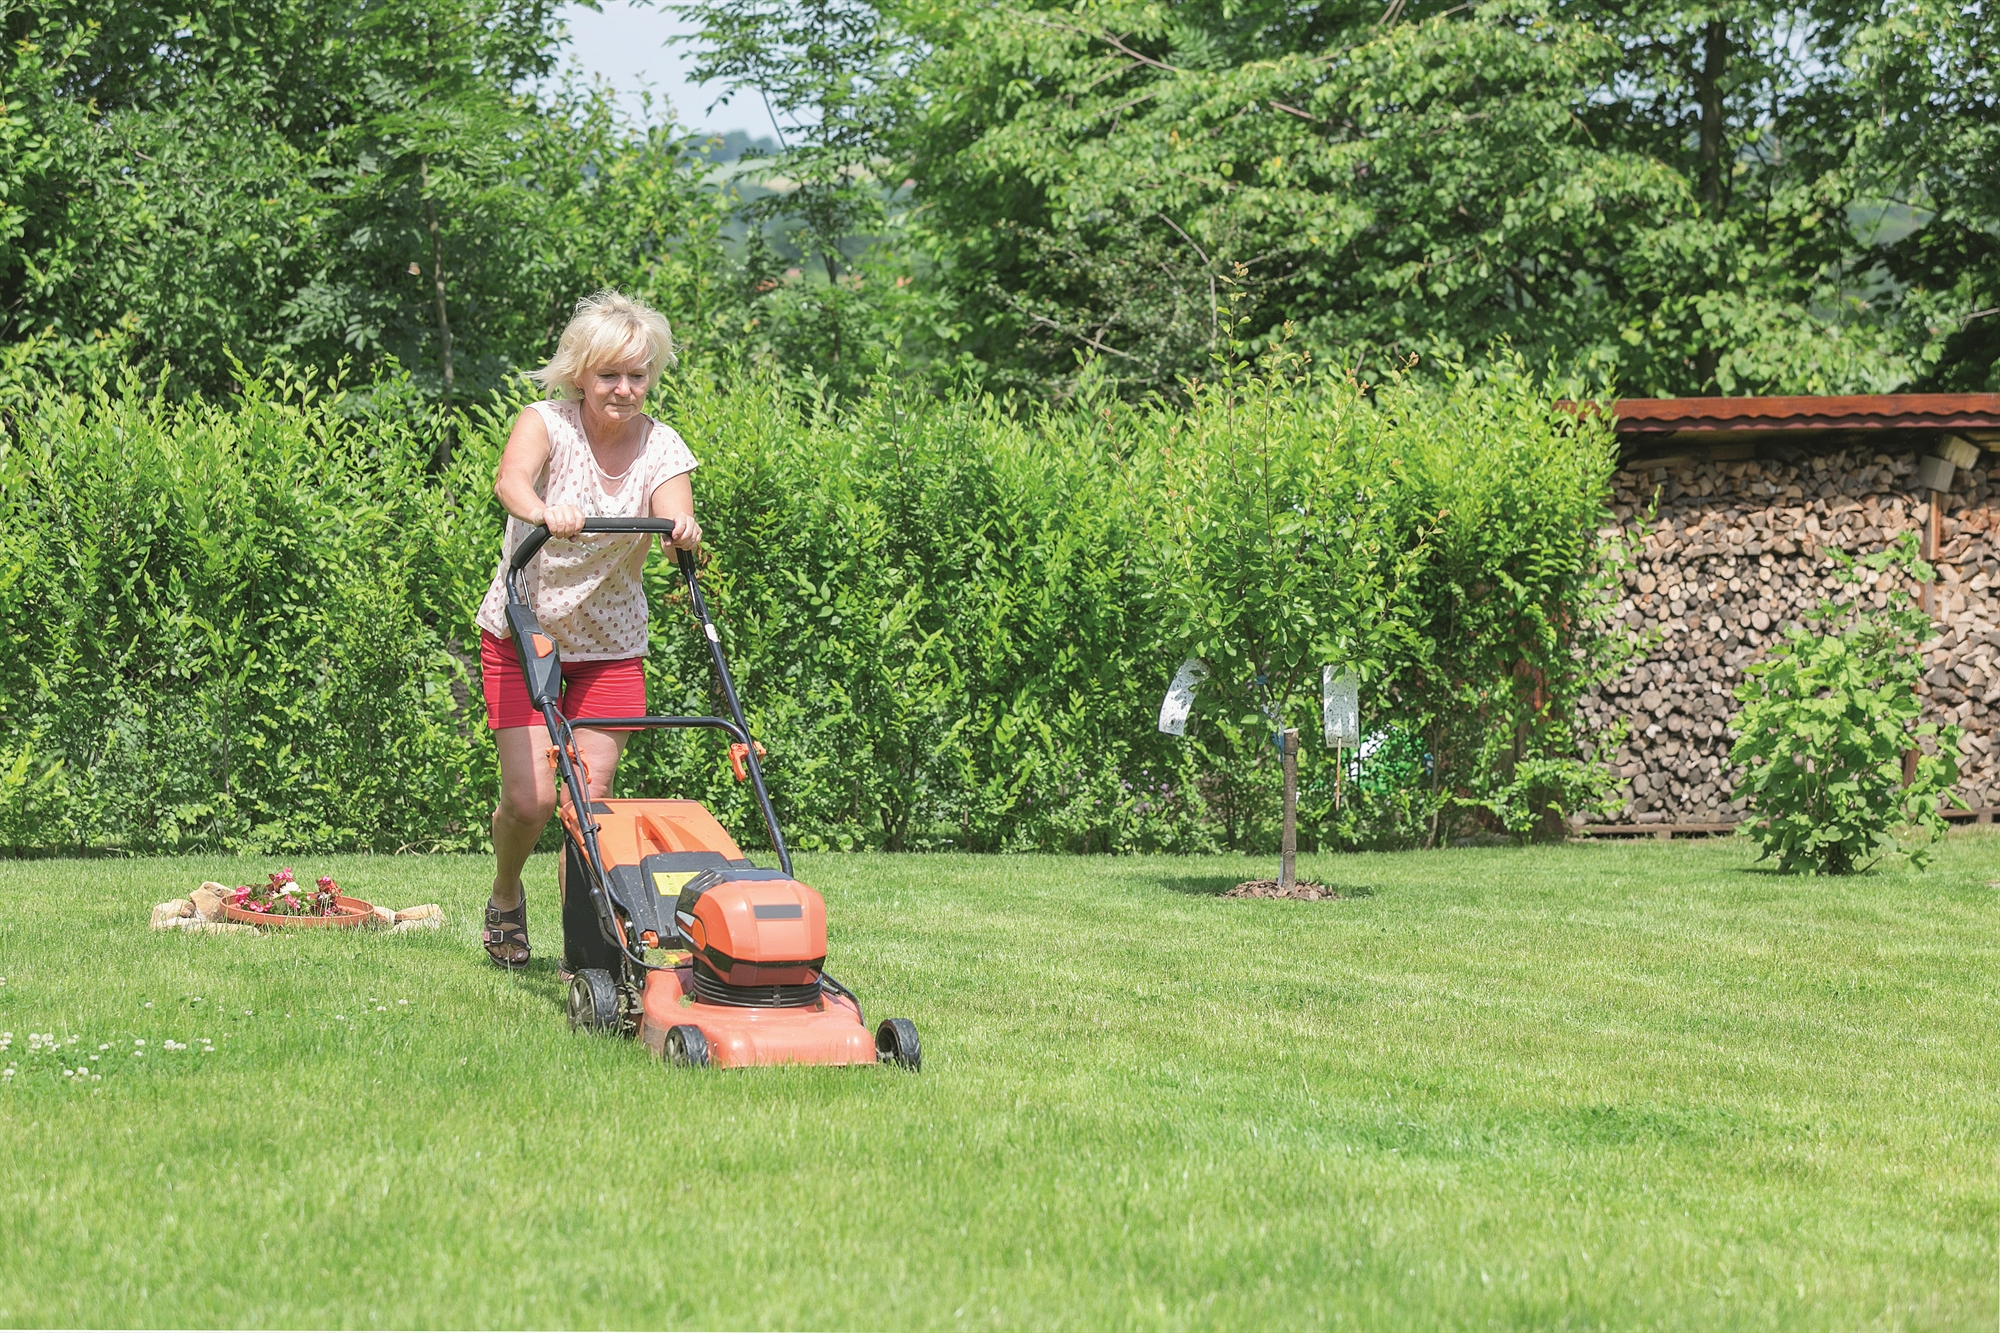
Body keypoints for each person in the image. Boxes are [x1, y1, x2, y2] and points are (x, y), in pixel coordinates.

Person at [471, 291, 701, 968]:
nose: (624, 389)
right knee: (532, 800)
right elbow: (510, 481)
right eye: (609, 375)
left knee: (586, 805)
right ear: (581, 374)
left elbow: (674, 517)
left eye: (637, 375)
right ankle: (506, 892)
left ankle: (587, 950)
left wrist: (683, 533)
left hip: (610, 646)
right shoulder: (545, 422)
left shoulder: (662, 444)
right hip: (525, 635)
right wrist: (544, 510)